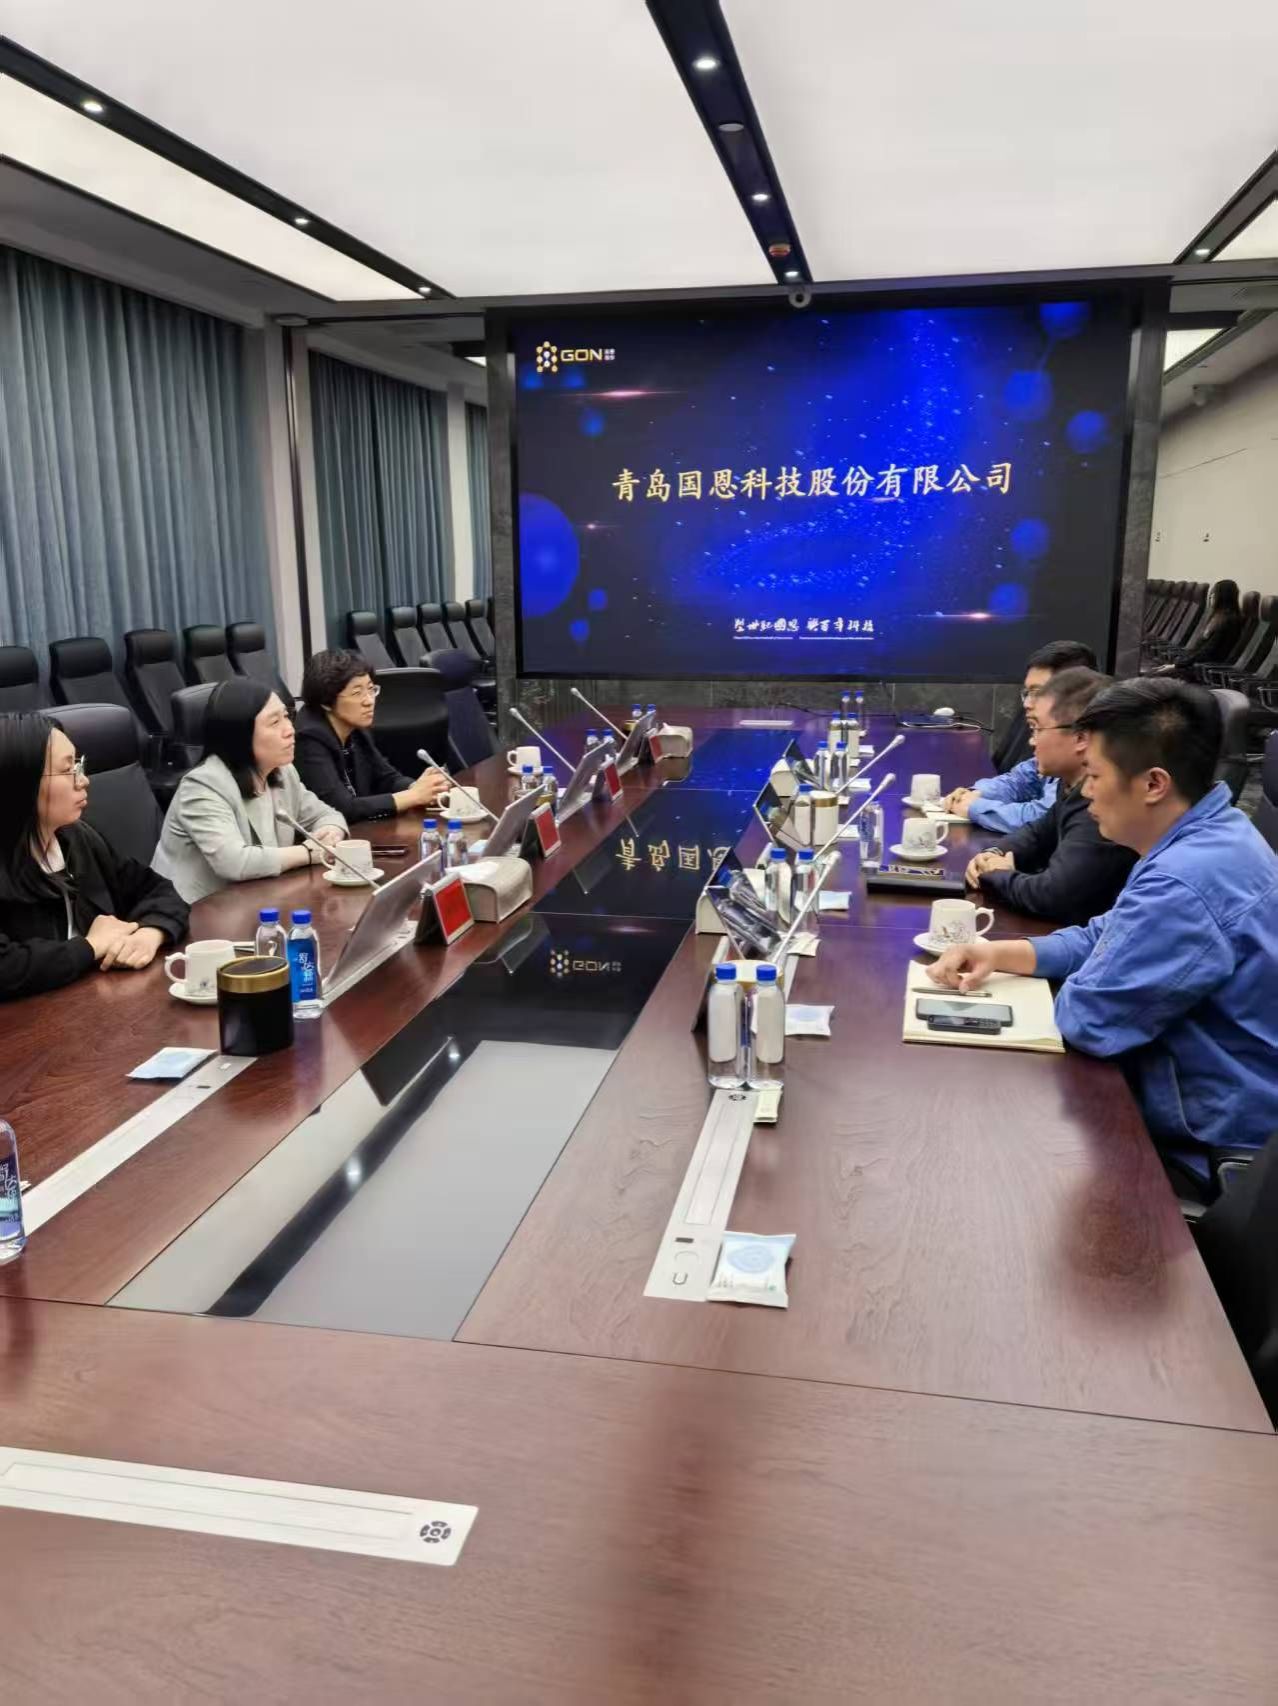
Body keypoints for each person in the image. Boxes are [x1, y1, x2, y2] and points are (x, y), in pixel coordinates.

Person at [928, 678, 1278, 1195]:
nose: (1086, 792)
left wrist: (1073, 975)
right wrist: (1001, 952)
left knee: (975, 1148)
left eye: (1094, 775)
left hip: (1209, 1148)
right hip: (1190, 1101)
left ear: (1153, 784)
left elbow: (1090, 1020)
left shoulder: (1185, 881)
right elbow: (1108, 933)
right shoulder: (1210, 833)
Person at [0, 712, 188, 1001]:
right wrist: (91, 946)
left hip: (93, 1004)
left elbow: (158, 890)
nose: (83, 780)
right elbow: (7, 968)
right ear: (22, 783)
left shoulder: (77, 838)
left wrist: (151, 933)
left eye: (79, 765)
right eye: (67, 770)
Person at [965, 668, 1137, 925]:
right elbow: (1037, 834)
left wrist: (999, 875)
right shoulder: (1070, 785)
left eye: (1037, 729)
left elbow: (1054, 896)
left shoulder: (1100, 800)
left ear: (1080, 737)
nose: (1032, 742)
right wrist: (993, 853)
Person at [153, 679, 347, 904]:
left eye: (287, 716)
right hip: (195, 911)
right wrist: (310, 852)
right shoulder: (203, 785)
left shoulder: (282, 770)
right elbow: (233, 861)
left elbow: (327, 815)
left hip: (255, 899)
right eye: (275, 722)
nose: (290, 730)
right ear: (241, 734)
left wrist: (330, 833)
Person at [943, 640, 1098, 833]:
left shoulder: (1091, 761)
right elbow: (1021, 780)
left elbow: (1042, 820)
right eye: (1027, 693)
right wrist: (974, 794)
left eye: (1038, 692)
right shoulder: (1056, 746)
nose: (1027, 704)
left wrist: (974, 807)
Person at [293, 649, 449, 823]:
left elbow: (386, 778)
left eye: (371, 689)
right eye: (357, 693)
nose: (369, 701)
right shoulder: (308, 738)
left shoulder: (355, 726)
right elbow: (341, 808)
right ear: (326, 702)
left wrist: (422, 788)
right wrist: (413, 796)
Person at [1152, 578, 1244, 677]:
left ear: (1223, 597)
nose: (1211, 597)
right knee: (1154, 672)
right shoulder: (1219, 617)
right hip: (1197, 664)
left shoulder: (1229, 621)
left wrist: (1177, 665)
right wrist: (1179, 663)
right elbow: (1200, 649)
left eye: (1214, 594)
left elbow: (1208, 652)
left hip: (1206, 669)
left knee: (1153, 676)